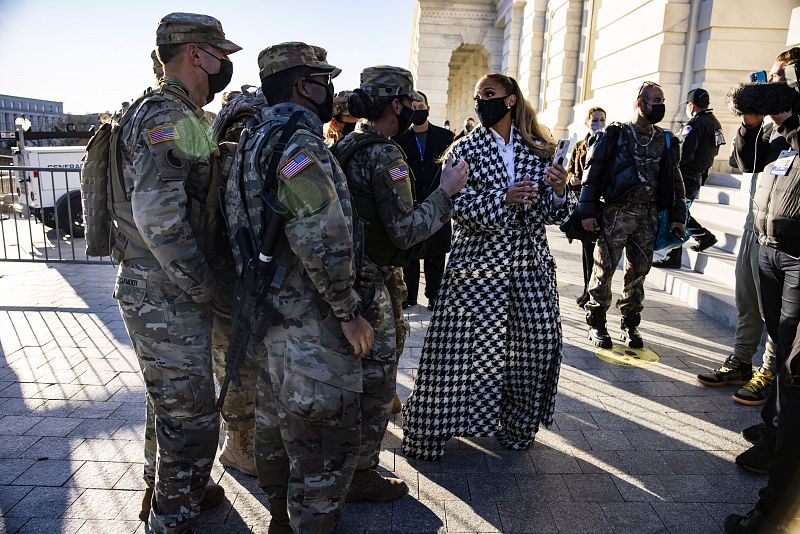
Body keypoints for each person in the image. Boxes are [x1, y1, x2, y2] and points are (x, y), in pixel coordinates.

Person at [231, 42, 384, 534]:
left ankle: (281, 516)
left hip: (270, 313)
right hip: (311, 320)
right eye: (324, 81)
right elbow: (318, 230)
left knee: (277, 429)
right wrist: (347, 309)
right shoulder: (298, 141)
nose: (330, 92)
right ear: (304, 85)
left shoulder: (255, 136)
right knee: (321, 443)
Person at [401, 72, 575, 460]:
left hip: (530, 267)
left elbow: (553, 213)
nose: (481, 102)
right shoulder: (465, 150)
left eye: (490, 94)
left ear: (511, 100)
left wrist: (561, 191)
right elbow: (457, 208)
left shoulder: (539, 148)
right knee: (457, 351)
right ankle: (431, 431)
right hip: (476, 269)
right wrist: (504, 198)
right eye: (479, 96)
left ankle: (517, 427)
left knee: (534, 347)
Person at [112, 13, 240, 533]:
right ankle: (171, 518)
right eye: (219, 54)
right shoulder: (167, 116)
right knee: (192, 416)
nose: (223, 65)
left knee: (168, 402)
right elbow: (159, 218)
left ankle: (163, 489)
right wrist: (202, 286)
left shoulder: (168, 111)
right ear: (194, 53)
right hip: (166, 289)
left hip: (157, 286)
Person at [334, 65, 468, 492]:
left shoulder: (347, 146)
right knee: (377, 380)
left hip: (350, 275)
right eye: (410, 100)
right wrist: (445, 191)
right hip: (374, 284)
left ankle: (342, 462)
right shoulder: (385, 155)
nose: (414, 108)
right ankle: (361, 473)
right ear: (397, 104)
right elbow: (406, 230)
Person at [724, 66, 800, 534]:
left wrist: (790, 113)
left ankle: (774, 510)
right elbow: (745, 162)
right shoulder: (779, 130)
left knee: (793, 373)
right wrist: (755, 124)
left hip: (797, 257)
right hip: (768, 247)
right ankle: (774, 434)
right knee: (779, 345)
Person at [579, 81, 687, 349]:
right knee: (603, 270)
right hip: (616, 213)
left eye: (663, 100)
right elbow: (592, 173)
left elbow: (675, 179)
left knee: (638, 273)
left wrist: (677, 216)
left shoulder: (665, 139)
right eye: (656, 100)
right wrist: (588, 210)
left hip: (647, 217)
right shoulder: (614, 134)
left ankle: (630, 323)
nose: (661, 105)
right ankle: (597, 322)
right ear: (640, 103)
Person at [394, 91, 456, 310]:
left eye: (422, 108)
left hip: (437, 199)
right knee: (410, 253)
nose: (418, 112)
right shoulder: (399, 138)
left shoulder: (445, 136)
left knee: (436, 254)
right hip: (410, 202)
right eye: (415, 109)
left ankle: (434, 295)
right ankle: (409, 296)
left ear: (428, 109)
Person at [653, 87, 722, 268]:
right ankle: (681, 250)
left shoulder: (695, 124)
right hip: (698, 175)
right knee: (679, 213)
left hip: (686, 176)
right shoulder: (714, 122)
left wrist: (671, 172)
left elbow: (684, 153)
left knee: (678, 213)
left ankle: (702, 237)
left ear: (691, 105)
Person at [567, 106, 606, 308]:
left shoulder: (609, 144)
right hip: (582, 204)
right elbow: (569, 170)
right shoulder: (580, 145)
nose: (597, 123)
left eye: (601, 119)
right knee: (586, 249)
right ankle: (586, 290)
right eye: (594, 119)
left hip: (600, 205)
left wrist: (585, 181)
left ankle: (595, 293)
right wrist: (571, 178)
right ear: (587, 121)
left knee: (598, 253)